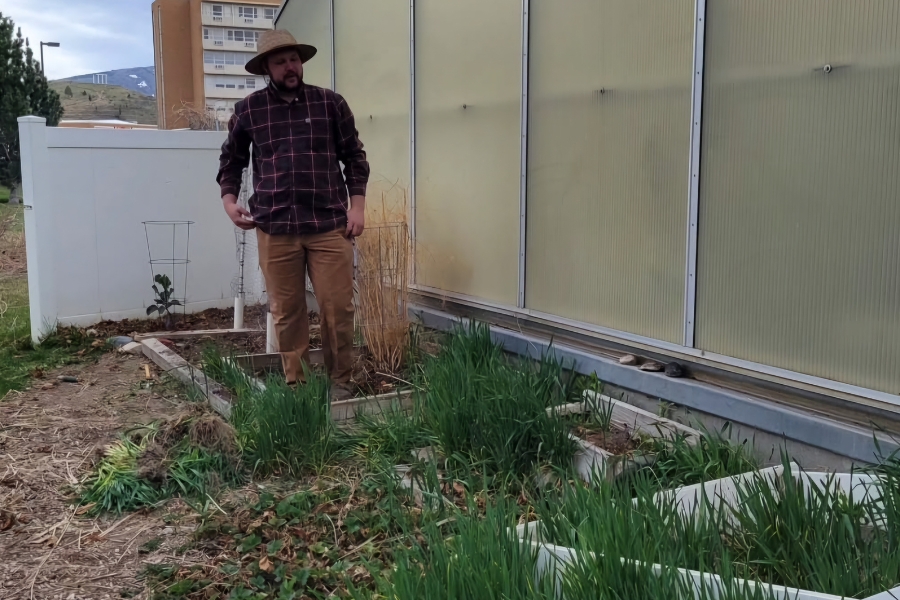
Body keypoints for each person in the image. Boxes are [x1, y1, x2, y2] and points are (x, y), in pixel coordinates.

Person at [216, 30, 369, 400]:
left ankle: (341, 383)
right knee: (287, 313)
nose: (290, 67)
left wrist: (358, 207)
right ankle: (297, 388)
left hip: (328, 224)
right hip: (275, 226)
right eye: (281, 61)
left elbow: (355, 156)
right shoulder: (249, 110)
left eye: (294, 59)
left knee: (338, 309)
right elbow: (231, 161)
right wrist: (230, 199)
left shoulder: (330, 104)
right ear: (267, 68)